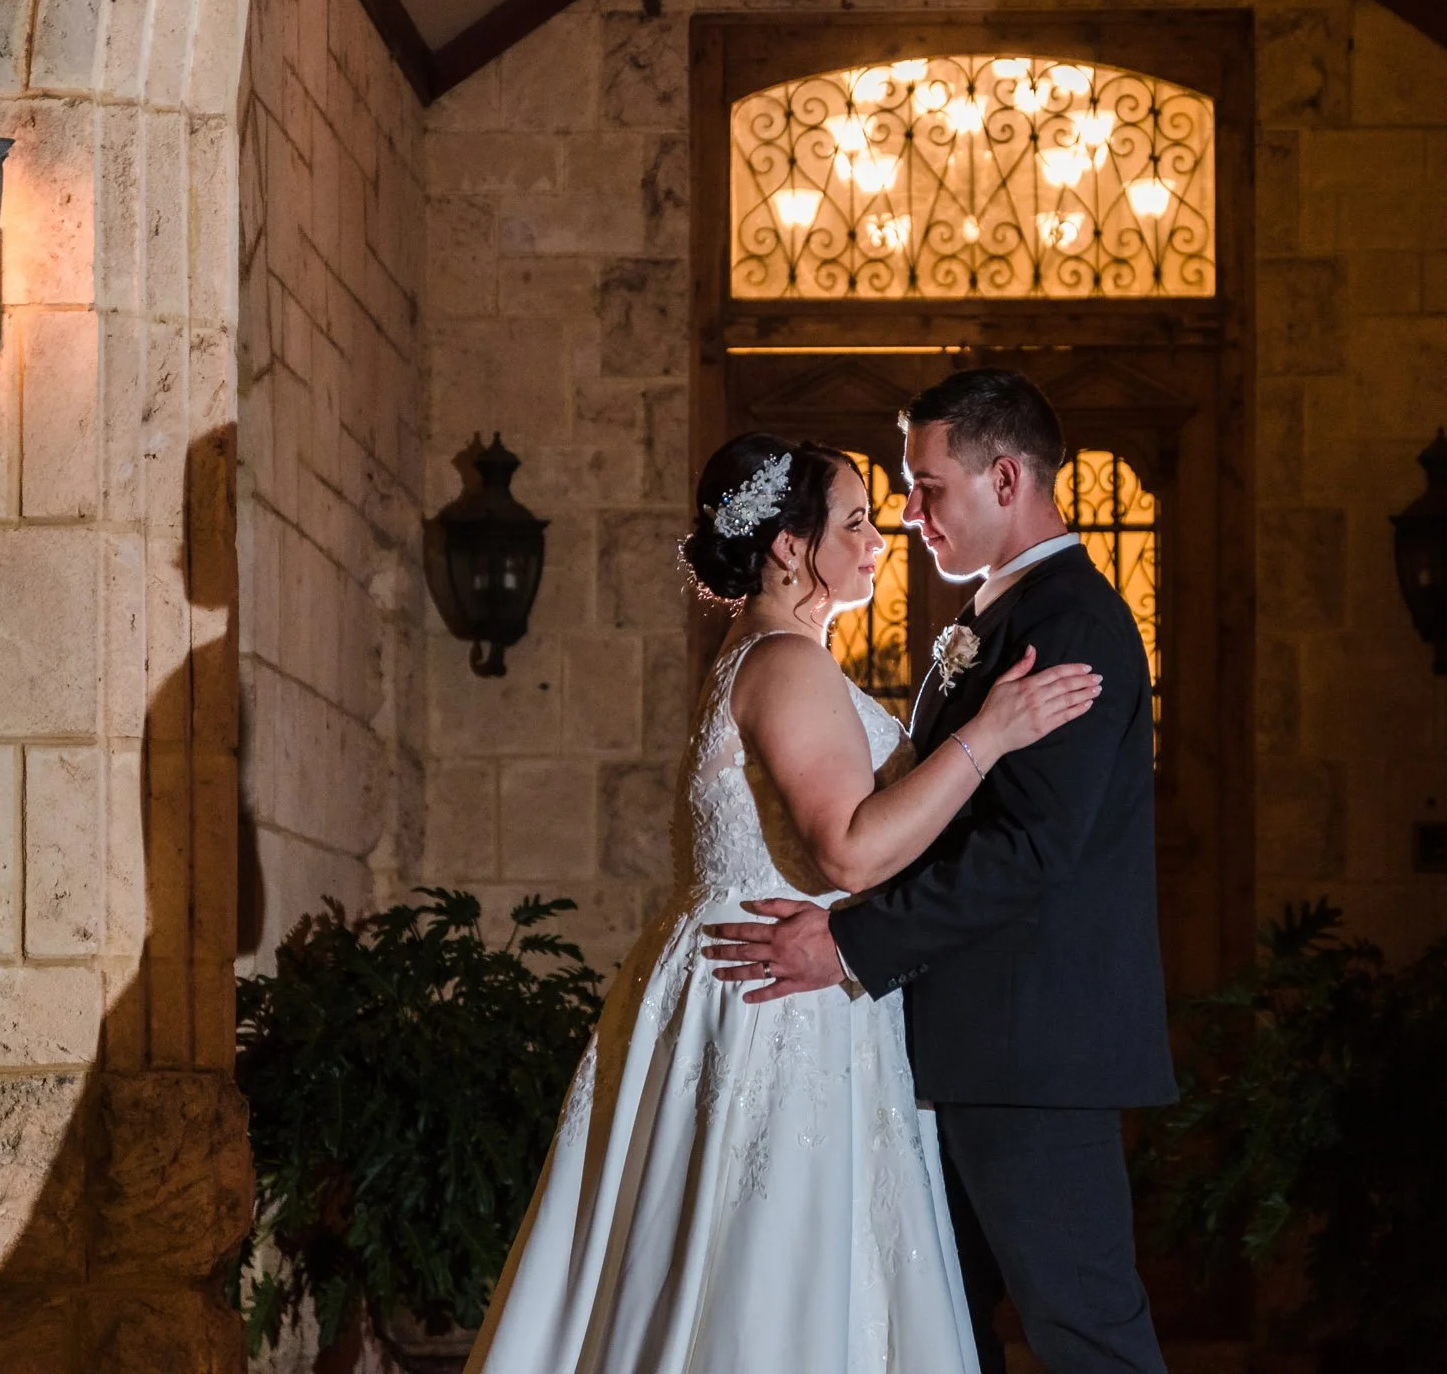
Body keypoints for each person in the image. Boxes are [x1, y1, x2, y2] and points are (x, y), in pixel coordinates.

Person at [465, 432, 1103, 1374]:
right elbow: (848, 849)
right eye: (852, 521)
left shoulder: (760, 654)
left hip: (760, 979)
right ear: (786, 546)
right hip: (783, 1005)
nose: (878, 539)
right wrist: (991, 733)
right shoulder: (786, 662)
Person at [704, 369, 1175, 1374]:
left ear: (1007, 478)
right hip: (959, 1041)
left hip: (1032, 1048)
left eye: (928, 488)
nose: (910, 516)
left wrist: (850, 944)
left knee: (1085, 1332)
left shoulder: (1073, 625)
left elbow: (1032, 848)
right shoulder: (1001, 618)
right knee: (946, 1333)